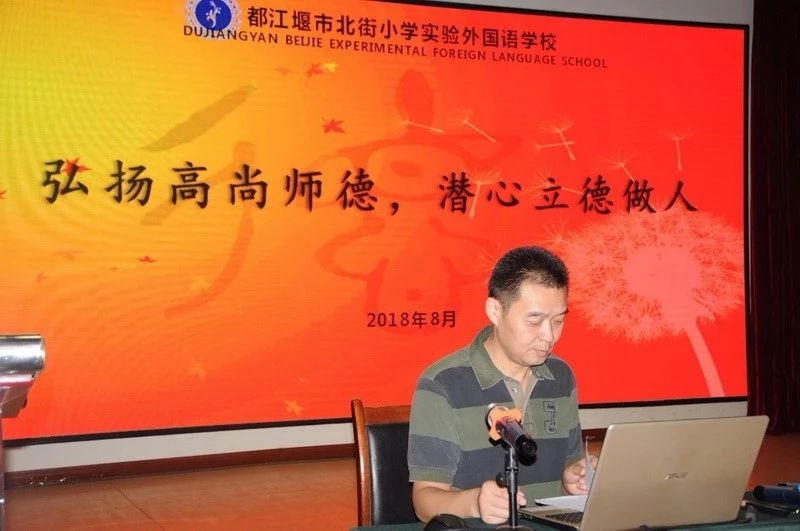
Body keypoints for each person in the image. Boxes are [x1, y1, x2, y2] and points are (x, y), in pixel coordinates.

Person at [407, 246, 592, 525]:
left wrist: (574, 478)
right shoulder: (442, 384)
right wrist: (475, 502)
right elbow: (424, 502)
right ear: (495, 310)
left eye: (558, 320)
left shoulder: (560, 376)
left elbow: (568, 468)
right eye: (535, 321)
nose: (549, 336)